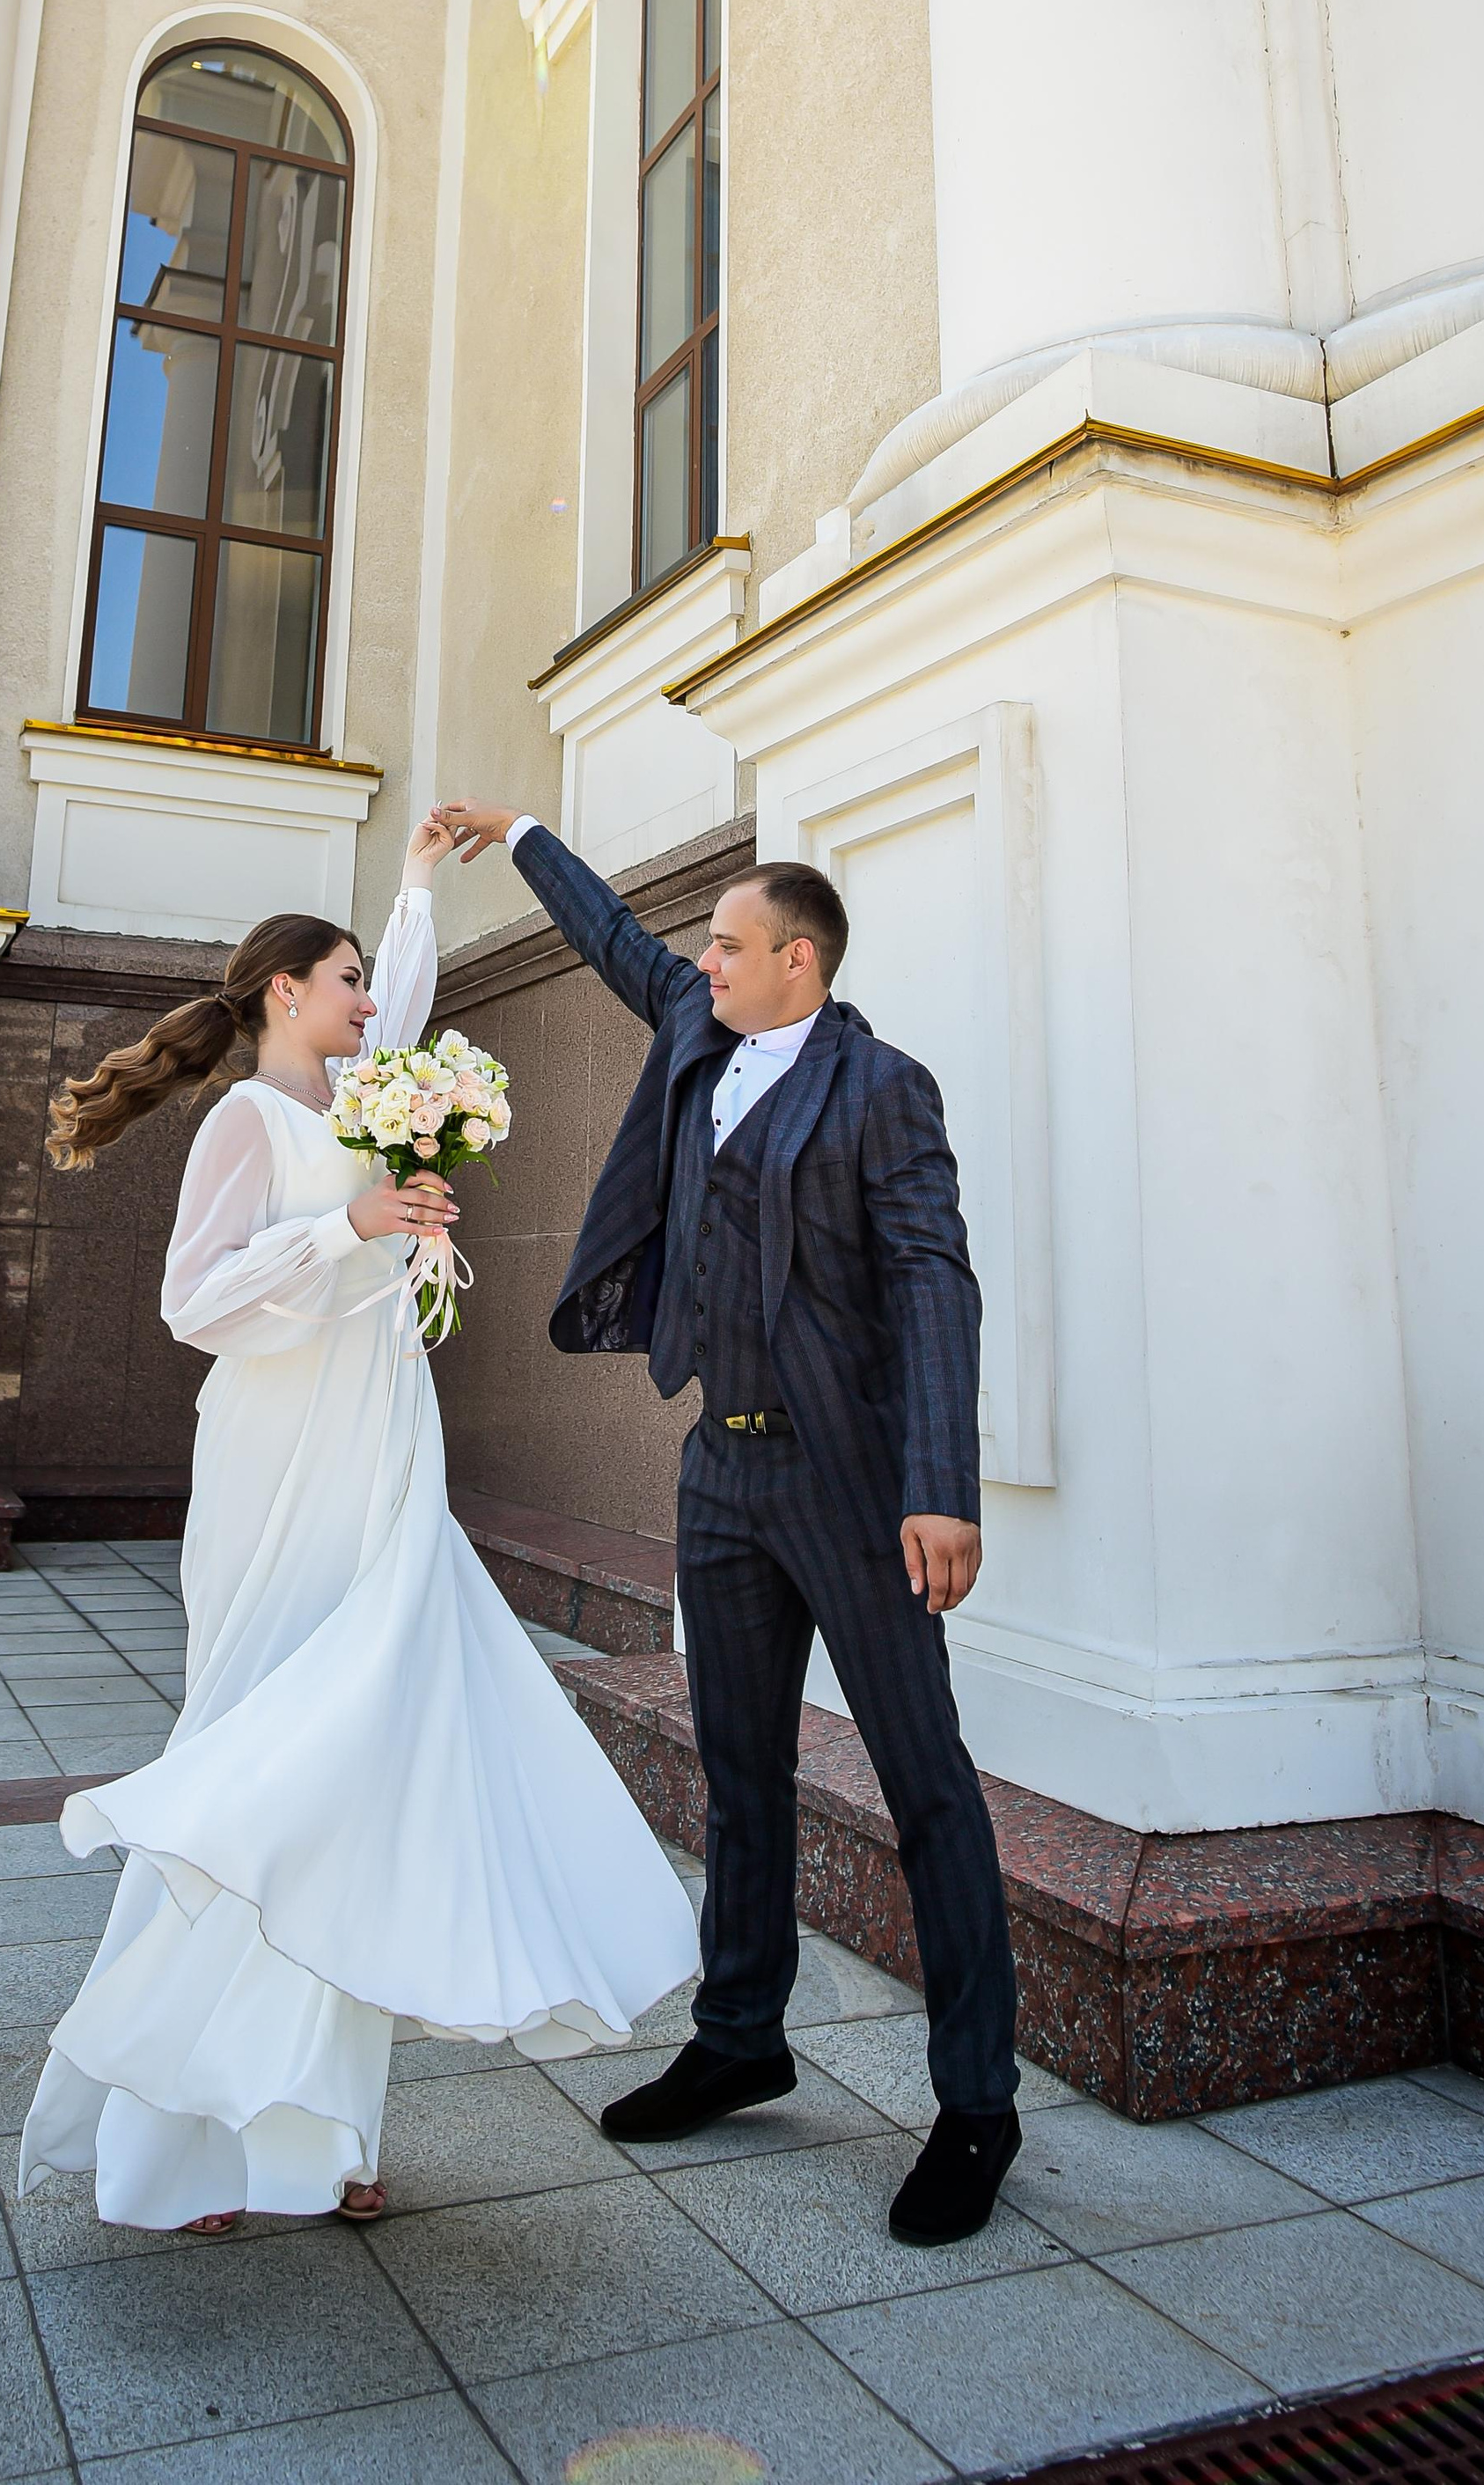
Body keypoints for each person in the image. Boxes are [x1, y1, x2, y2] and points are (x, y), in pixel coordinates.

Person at [17, 812, 699, 2235]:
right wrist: (353, 1226)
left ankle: (324, 2145)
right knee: (255, 1778)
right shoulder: (249, 1122)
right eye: (345, 983)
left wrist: (411, 888)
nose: (369, 1005)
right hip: (280, 1473)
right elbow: (192, 1302)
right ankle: (176, 2148)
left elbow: (413, 1003)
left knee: (368, 1789)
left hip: (386, 1460)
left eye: (369, 987)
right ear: (283, 995)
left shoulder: (358, 1114)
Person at [437, 804, 1021, 2246]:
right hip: (721, 1474)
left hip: (853, 1484)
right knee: (741, 1774)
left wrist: (940, 1481)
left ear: (800, 965)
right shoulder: (699, 1034)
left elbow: (937, 1281)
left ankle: (976, 2107)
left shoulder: (885, 1089)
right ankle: (742, 2033)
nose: (701, 963)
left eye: (730, 945)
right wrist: (521, 833)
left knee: (924, 1781)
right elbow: (619, 944)